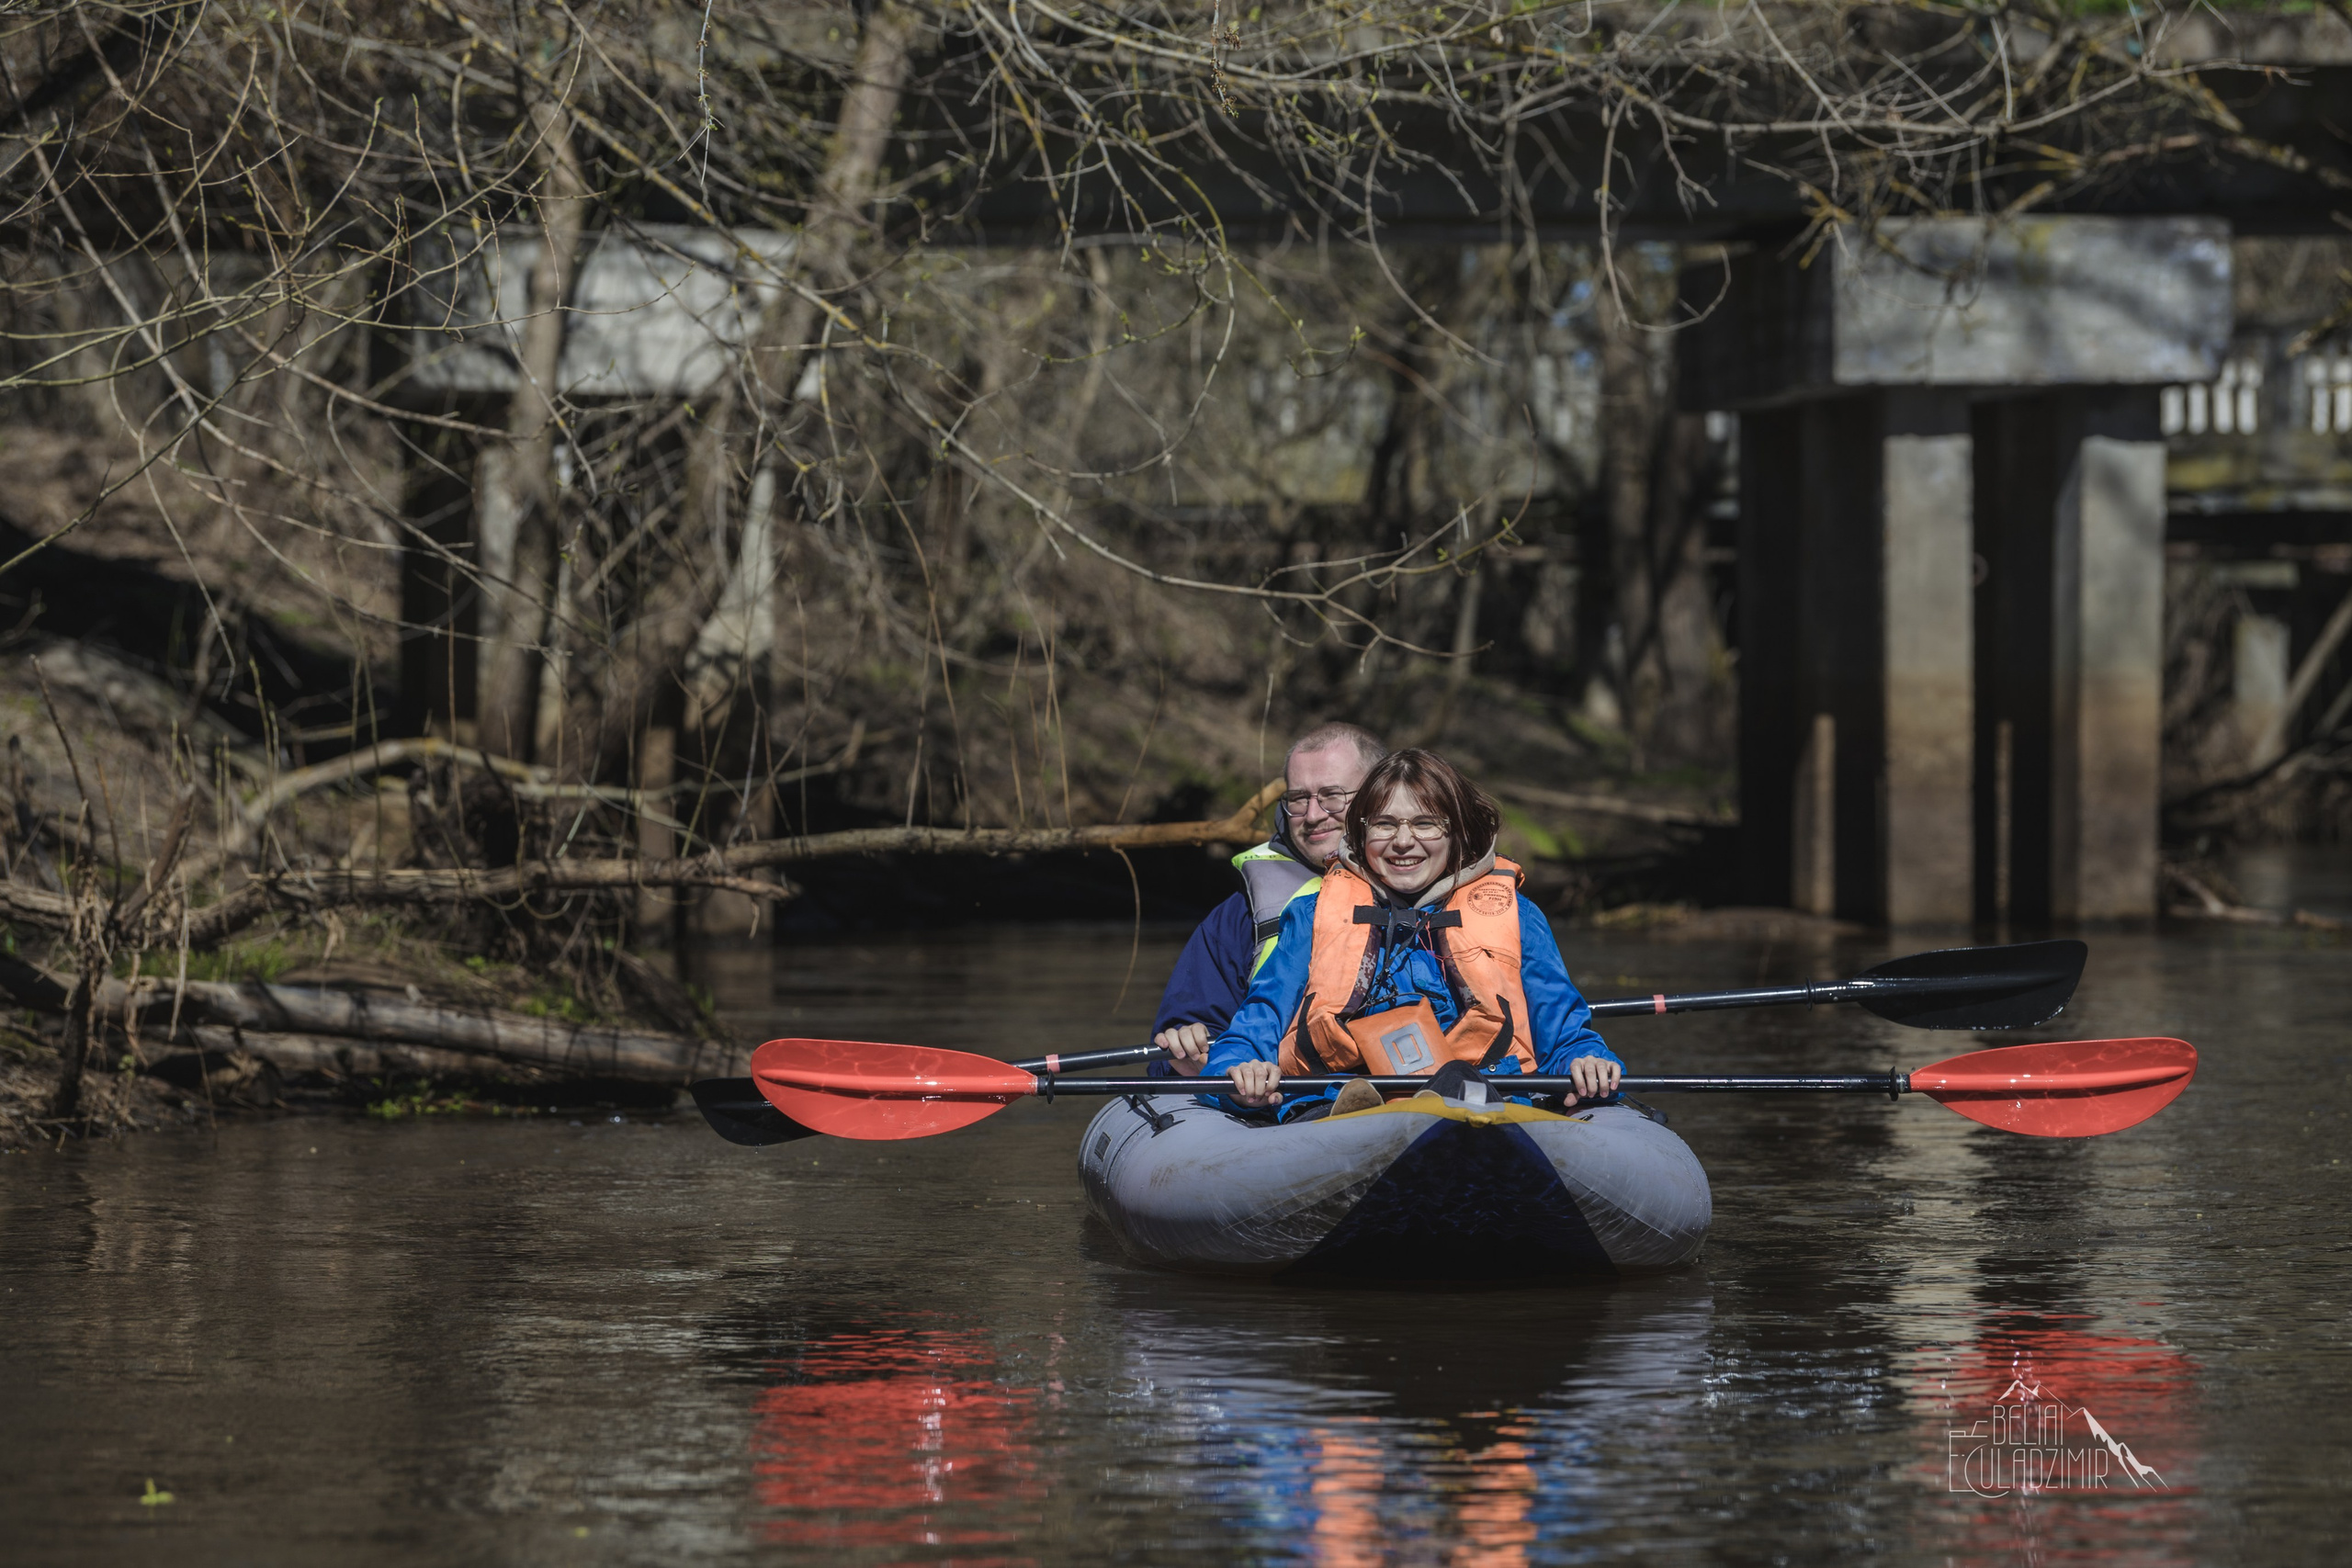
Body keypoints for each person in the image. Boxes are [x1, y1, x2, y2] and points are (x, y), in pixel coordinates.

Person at [1205, 748, 1623, 1117]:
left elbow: (1563, 1030)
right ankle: (1382, 1112)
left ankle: (1444, 1106)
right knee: (1360, 1100)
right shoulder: (1311, 915)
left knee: (1459, 1082)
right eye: (1385, 825)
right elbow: (1256, 1024)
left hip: (1488, 1102)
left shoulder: (1518, 916)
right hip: (1334, 1104)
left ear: (1458, 831)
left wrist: (1586, 1060)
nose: (1403, 842)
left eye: (1426, 824)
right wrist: (1241, 1068)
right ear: (1362, 833)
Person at [1148, 722, 1387, 1077]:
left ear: (1380, 796)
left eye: (1332, 796)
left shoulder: (1432, 891)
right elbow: (1171, 1052)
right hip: (1280, 1102)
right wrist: (1184, 1056)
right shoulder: (1239, 916)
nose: (1313, 815)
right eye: (1298, 798)